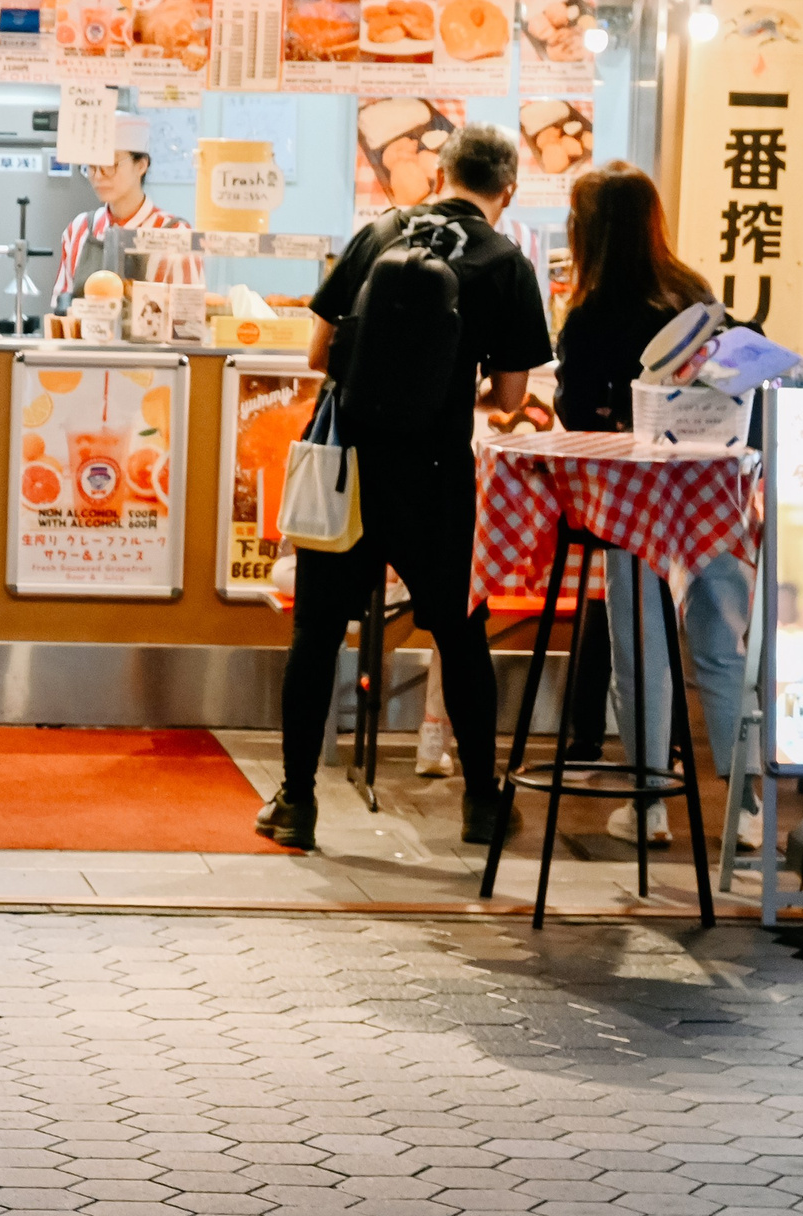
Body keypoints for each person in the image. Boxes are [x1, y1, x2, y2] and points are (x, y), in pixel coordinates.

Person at [259, 123, 553, 850]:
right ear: (506, 192)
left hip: (350, 469)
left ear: (441, 171)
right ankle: (482, 806)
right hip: (435, 473)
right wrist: (460, 395)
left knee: (318, 632)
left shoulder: (379, 230)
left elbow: (320, 352)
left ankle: (297, 805)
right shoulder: (508, 261)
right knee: (459, 635)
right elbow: (513, 394)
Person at [553, 161, 757, 848]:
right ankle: (745, 811)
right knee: (723, 646)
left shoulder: (587, 313)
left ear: (587, 230)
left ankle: (649, 805)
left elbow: (577, 414)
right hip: (711, 488)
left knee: (641, 652)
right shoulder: (694, 294)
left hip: (632, 498)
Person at [51, 113, 205, 309]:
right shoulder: (78, 229)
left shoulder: (175, 234)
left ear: (141, 165)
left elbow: (188, 317)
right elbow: (62, 310)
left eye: (110, 165)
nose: (98, 176)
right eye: (91, 166)